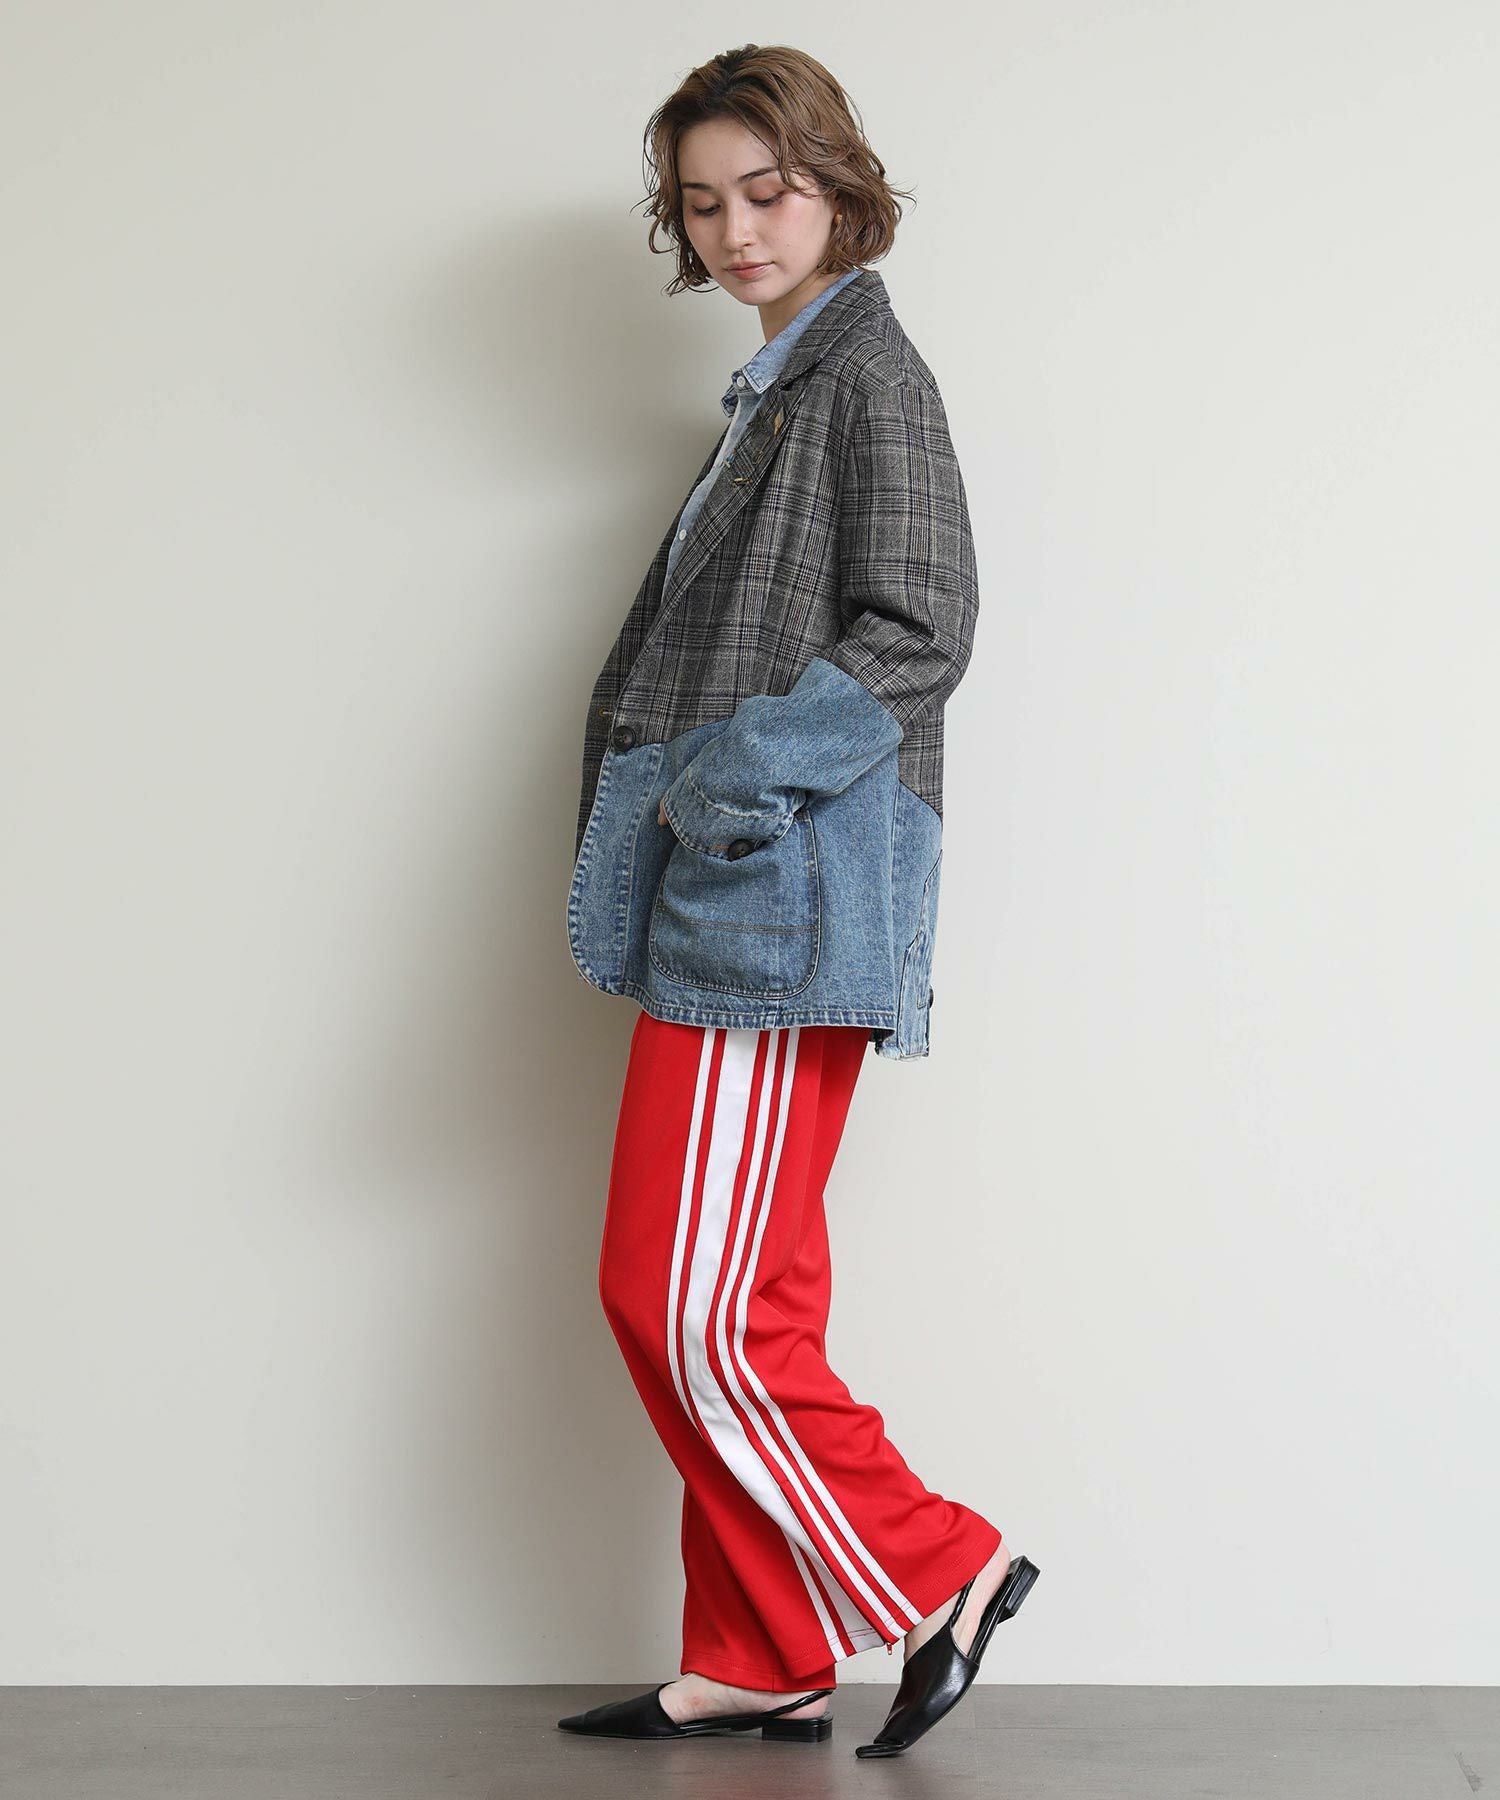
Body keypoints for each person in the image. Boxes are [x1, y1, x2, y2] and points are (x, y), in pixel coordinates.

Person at [558, 43, 1039, 1758]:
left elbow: (921, 628)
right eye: (702, 204)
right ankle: (762, 1647)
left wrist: (726, 783)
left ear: (838, 185)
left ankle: (936, 1569)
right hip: (741, 897)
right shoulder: (785, 386)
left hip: (781, 899)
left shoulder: (867, 378)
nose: (736, 230)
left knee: (689, 1304)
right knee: (729, 1296)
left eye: (767, 191)